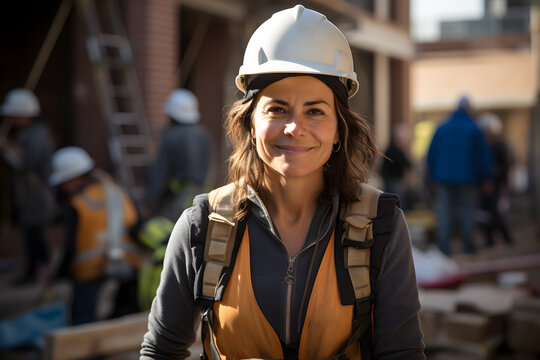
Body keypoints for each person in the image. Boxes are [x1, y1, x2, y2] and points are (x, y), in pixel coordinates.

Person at [140, 5, 425, 360]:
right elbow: (162, 351)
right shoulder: (202, 227)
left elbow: (402, 353)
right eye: (276, 109)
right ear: (250, 123)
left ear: (339, 130)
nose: (295, 128)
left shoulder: (381, 227)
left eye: (315, 111)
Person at [50, 146, 142, 325]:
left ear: (75, 178)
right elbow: (136, 225)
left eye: (63, 181)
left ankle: (89, 353)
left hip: (90, 272)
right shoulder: (117, 191)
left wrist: (58, 273)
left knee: (83, 320)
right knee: (121, 319)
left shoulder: (78, 204)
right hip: (127, 266)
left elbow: (70, 246)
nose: (61, 187)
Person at [0, 88, 56, 282]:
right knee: (31, 234)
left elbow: (29, 162)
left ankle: (41, 271)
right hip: (28, 195)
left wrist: (9, 150)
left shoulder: (38, 134)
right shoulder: (28, 133)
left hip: (38, 195)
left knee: (35, 235)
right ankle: (35, 270)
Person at [427, 96, 493, 255]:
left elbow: (431, 154)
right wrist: (486, 178)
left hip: (443, 179)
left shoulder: (442, 128)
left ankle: (444, 249)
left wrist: (432, 177)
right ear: (469, 109)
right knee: (468, 213)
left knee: (445, 214)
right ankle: (468, 248)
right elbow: (483, 156)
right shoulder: (475, 129)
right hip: (468, 179)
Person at [144, 89, 213, 221]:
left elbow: (160, 173)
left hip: (176, 203)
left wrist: (148, 202)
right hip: (203, 199)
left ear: (172, 114)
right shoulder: (204, 135)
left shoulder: (171, 137)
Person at [477, 112, 513, 247]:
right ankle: (489, 240)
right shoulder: (483, 147)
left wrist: (493, 180)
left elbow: (505, 166)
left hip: (495, 184)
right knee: (485, 213)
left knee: (496, 211)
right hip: (485, 185)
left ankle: (506, 237)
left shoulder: (499, 146)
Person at [380, 123, 412, 210]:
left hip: (393, 180)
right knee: (396, 202)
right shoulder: (394, 150)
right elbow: (405, 163)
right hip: (393, 180)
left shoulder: (393, 149)